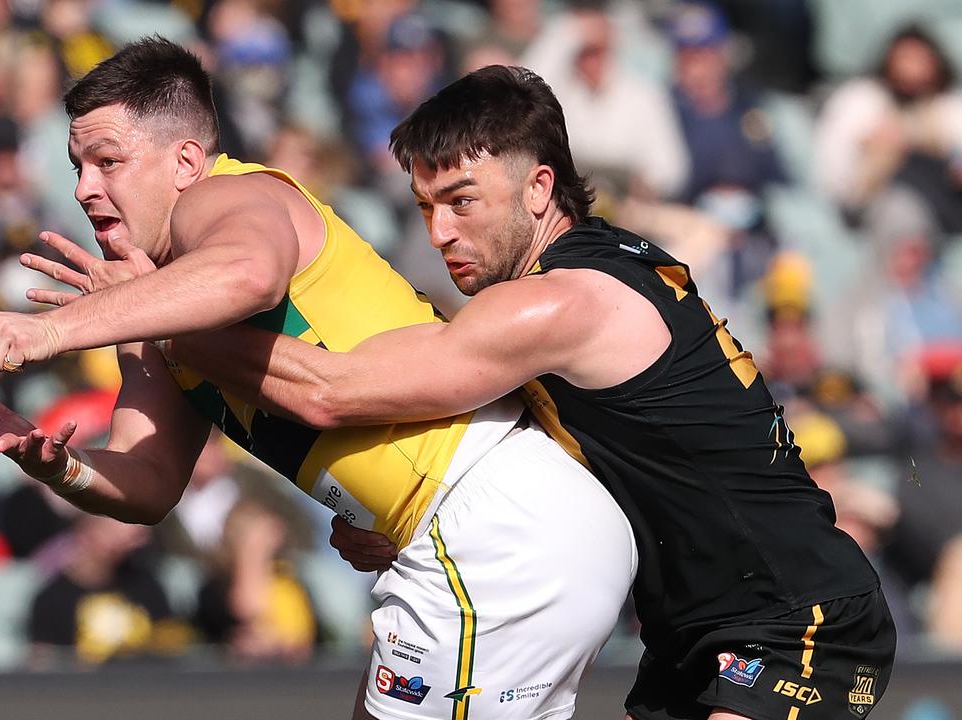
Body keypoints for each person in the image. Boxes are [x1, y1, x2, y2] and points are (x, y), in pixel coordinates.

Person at [164, 66, 898, 720]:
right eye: (425, 208)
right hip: (700, 633)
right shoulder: (592, 273)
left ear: (540, 186)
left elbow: (330, 391)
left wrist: (164, 318)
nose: (441, 231)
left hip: (796, 620)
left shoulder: (557, 304)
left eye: (461, 200)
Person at [0, 38, 636, 720]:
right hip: (485, 536)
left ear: (187, 161)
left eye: (108, 161)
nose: (83, 188)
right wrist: (63, 468)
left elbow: (246, 275)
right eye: (78, 166)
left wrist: (49, 330)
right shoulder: (154, 301)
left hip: (488, 520)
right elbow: (150, 483)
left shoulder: (225, 198)